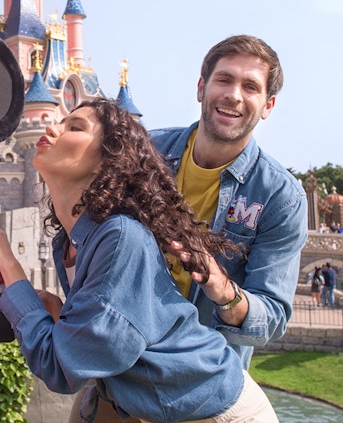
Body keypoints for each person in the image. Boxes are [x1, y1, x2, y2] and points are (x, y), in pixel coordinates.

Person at [0, 99, 278, 423]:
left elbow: (62, 367)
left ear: (107, 160)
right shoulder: (69, 242)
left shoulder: (120, 237)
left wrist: (8, 261)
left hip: (218, 411)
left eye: (74, 127)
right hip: (142, 405)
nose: (52, 128)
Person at [150, 35, 308, 369]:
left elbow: (273, 317)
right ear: (201, 88)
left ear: (268, 106)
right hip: (122, 364)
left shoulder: (280, 198)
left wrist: (222, 289)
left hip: (201, 377)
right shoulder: (146, 153)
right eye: (224, 79)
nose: (234, 95)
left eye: (251, 87)